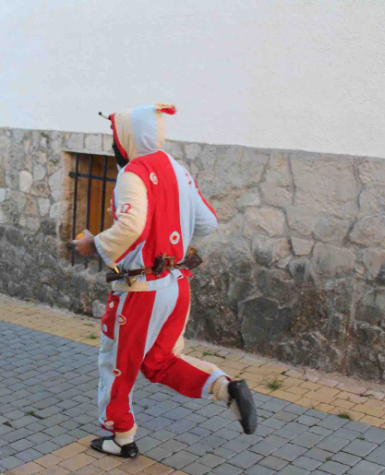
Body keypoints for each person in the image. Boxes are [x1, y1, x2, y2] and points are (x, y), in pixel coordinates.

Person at [72, 104, 256, 458]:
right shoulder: (179, 170)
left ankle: (120, 436)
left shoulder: (133, 172)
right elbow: (208, 223)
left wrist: (93, 244)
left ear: (127, 137)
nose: (114, 144)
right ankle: (224, 389)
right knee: (161, 360)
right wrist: (174, 233)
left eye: (116, 136)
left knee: (116, 364)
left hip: (140, 291)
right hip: (176, 283)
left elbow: (130, 226)